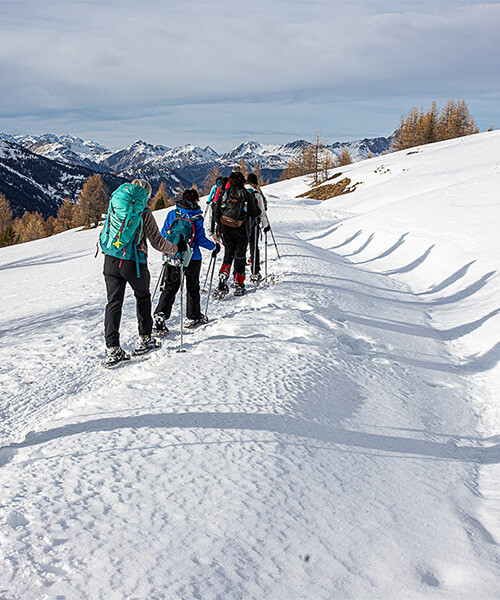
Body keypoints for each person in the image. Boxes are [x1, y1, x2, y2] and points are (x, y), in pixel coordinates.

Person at [101, 179, 184, 368]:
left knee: (113, 303)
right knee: (143, 298)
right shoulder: (143, 213)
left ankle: (112, 349)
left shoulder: (116, 205)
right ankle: (145, 338)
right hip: (133, 263)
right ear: (145, 195)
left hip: (111, 259)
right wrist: (176, 247)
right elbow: (157, 243)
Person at [154, 188, 220, 331]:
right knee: (192, 287)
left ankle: (160, 314)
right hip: (192, 257)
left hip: (173, 254)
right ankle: (194, 316)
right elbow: (200, 240)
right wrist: (214, 247)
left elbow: (163, 233)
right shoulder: (196, 217)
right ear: (196, 200)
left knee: (170, 286)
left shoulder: (173, 213)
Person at [214, 171, 260, 297]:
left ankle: (224, 274)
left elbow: (216, 212)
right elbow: (255, 212)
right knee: (240, 256)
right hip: (242, 230)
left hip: (226, 230)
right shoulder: (245, 193)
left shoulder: (224, 193)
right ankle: (239, 283)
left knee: (228, 254)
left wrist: (221, 225)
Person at [245, 172, 270, 284]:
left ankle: (237, 275)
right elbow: (262, 213)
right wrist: (266, 226)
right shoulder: (257, 194)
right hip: (253, 225)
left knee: (239, 250)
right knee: (254, 248)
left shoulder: (241, 191)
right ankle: (255, 272)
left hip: (239, 225)